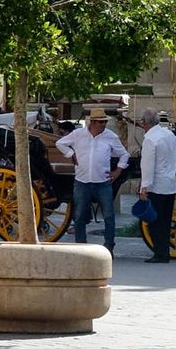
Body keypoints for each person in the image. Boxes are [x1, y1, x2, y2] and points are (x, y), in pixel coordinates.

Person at [56, 108, 129, 255]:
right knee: (79, 216)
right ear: (92, 122)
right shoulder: (78, 134)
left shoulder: (110, 136)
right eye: (101, 122)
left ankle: (109, 247)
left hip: (102, 182)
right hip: (82, 181)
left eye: (104, 122)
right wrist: (70, 153)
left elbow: (124, 155)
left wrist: (118, 171)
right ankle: (81, 248)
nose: (103, 125)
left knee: (109, 216)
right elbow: (60, 143)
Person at [135, 107, 176, 263]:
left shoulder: (150, 139)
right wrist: (174, 164)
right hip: (169, 184)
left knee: (154, 222)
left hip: (156, 186)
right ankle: (164, 253)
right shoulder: (168, 134)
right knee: (165, 220)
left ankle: (159, 253)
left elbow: (148, 165)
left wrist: (144, 186)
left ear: (144, 123)